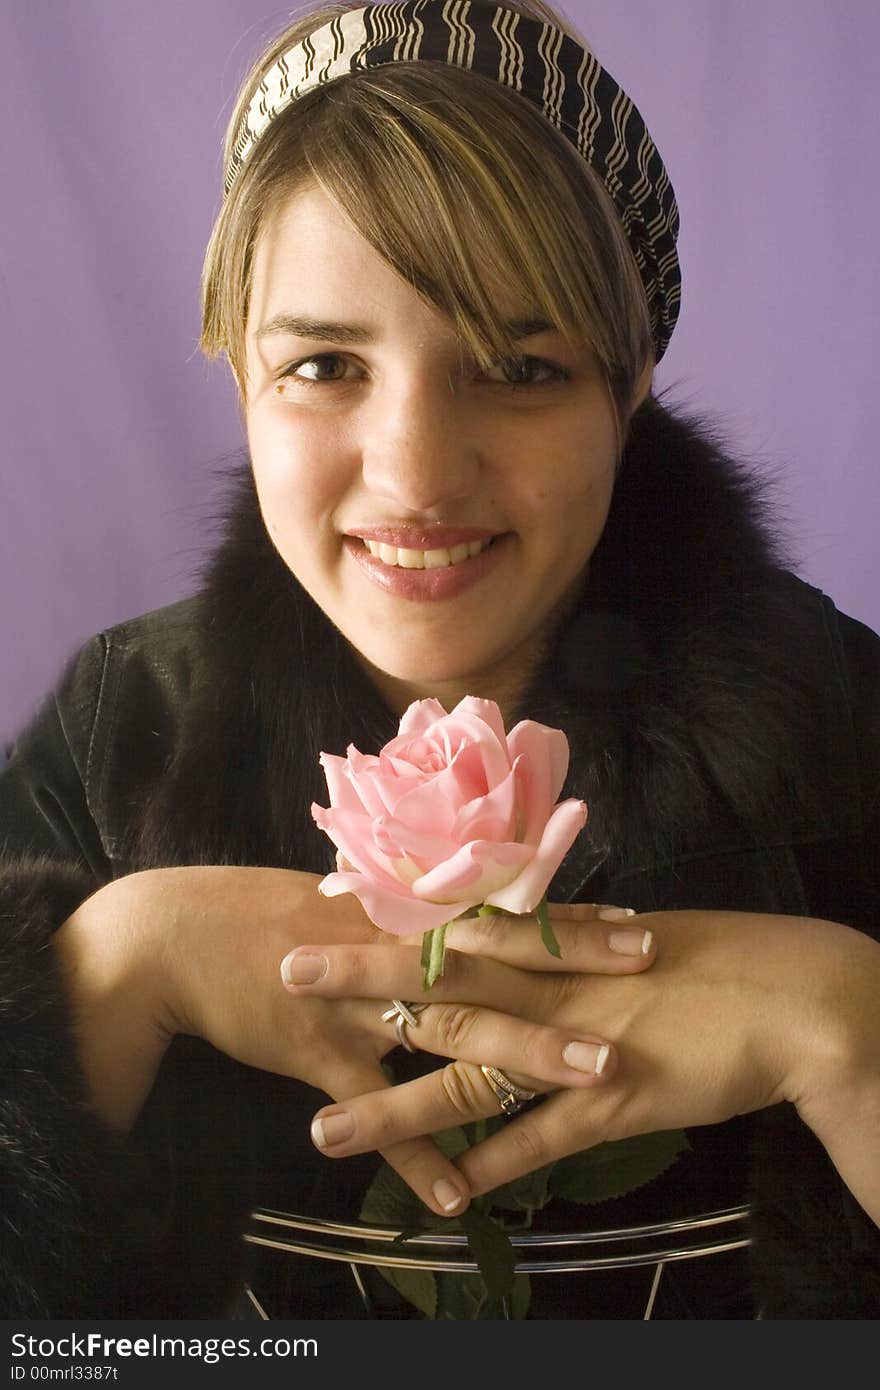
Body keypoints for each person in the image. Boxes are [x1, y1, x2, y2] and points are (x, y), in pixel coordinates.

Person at [1, 0, 877, 1321]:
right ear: (238, 369)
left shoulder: (850, 726)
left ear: (631, 382)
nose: (414, 475)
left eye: (518, 365)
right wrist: (118, 970)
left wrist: (853, 1030)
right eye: (325, 364)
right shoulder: (112, 732)